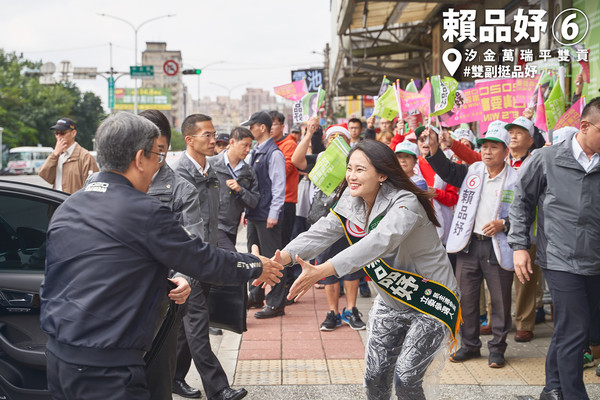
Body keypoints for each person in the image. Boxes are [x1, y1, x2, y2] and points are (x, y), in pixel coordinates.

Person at [39, 112, 282, 400]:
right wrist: (255, 265)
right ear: (140, 158)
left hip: (57, 358)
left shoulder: (69, 206)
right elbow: (202, 259)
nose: (159, 164)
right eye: (157, 155)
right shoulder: (143, 210)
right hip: (107, 367)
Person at [283, 139, 459, 400]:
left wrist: (322, 271)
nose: (351, 177)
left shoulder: (405, 203)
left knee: (407, 376)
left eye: (360, 170)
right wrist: (278, 261)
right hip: (392, 300)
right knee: (375, 375)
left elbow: (378, 242)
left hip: (430, 300)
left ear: (383, 174)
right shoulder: (351, 199)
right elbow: (320, 232)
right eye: (349, 168)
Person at [508, 97, 600, 400]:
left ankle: (553, 388)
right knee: (576, 329)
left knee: (570, 327)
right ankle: (574, 395)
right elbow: (521, 203)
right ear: (584, 126)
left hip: (595, 259)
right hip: (561, 258)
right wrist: (520, 246)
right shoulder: (546, 159)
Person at [425, 120, 516, 369]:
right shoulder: (472, 171)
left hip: (497, 248)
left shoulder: (516, 179)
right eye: (484, 146)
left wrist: (503, 224)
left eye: (493, 147)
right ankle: (469, 345)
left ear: (506, 151)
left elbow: (525, 213)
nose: (487, 151)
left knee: (500, 300)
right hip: (468, 246)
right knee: (466, 298)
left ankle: (497, 348)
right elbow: (447, 171)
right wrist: (434, 148)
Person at [174, 114, 247, 400]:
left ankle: (173, 378)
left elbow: (213, 220)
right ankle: (218, 389)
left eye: (214, 133)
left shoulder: (212, 171)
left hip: (207, 257)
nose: (212, 139)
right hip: (186, 262)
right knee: (197, 323)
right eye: (206, 134)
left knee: (185, 326)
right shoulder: (178, 174)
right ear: (189, 139)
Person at [140, 109, 198, 400]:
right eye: (145, 149)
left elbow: (193, 243)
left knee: (158, 382)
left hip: (162, 301)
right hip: (117, 301)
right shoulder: (106, 185)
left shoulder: (180, 189)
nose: (152, 158)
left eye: (159, 151)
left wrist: (185, 277)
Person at [292, 123, 367, 331]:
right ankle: (333, 312)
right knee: (326, 267)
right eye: (331, 136)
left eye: (339, 136)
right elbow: (296, 161)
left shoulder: (356, 161)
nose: (335, 139)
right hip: (325, 221)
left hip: (351, 220)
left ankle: (351, 310)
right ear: (326, 140)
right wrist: (308, 134)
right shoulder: (320, 159)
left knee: (352, 266)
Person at [242, 111, 288, 318]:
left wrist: (274, 213)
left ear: (262, 127)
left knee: (274, 259)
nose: (250, 130)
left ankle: (276, 302)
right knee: (254, 256)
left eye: (252, 126)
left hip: (267, 214)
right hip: (254, 213)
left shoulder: (274, 153)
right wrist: (246, 210)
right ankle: (256, 294)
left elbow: (279, 186)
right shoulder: (255, 152)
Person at [209, 127, 259, 252]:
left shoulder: (248, 171)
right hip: (213, 225)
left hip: (232, 227)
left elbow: (254, 201)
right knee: (232, 259)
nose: (248, 150)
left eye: (250, 146)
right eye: (244, 145)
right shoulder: (211, 164)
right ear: (232, 142)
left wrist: (240, 190)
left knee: (221, 266)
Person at [38, 117, 99, 193]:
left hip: (74, 203)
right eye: (56, 133)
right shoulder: (57, 155)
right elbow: (44, 174)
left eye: (62, 133)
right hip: (57, 202)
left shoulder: (85, 157)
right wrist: (55, 154)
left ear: (73, 133)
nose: (59, 137)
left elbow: (92, 188)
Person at [269, 110, 299, 249]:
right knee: (271, 242)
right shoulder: (268, 144)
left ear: (282, 126)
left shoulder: (289, 145)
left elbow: (283, 172)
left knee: (282, 242)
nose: (270, 128)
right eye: (268, 124)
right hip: (270, 199)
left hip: (285, 200)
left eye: (274, 124)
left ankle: (285, 271)